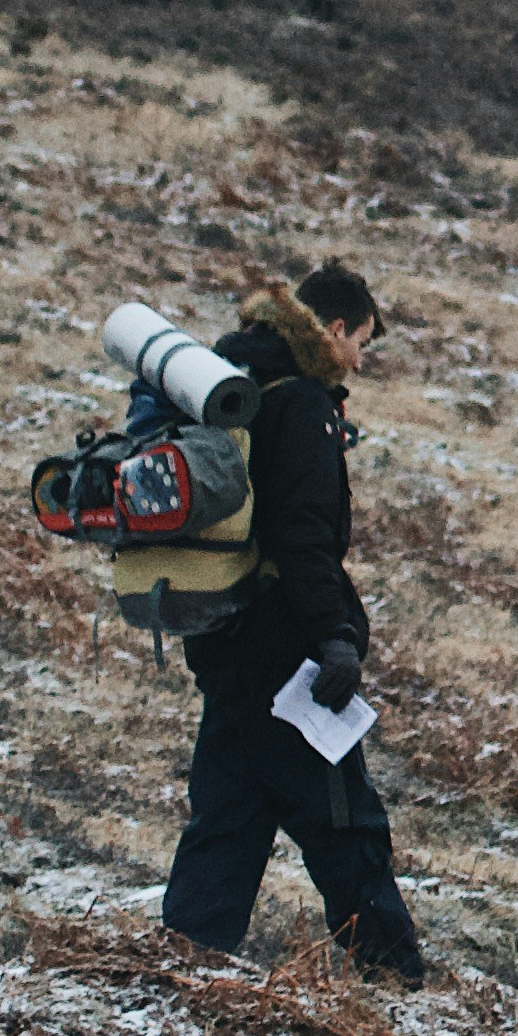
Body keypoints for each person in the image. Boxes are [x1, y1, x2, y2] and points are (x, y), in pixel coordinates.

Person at [156, 261, 427, 984]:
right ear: (333, 328)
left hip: (224, 631)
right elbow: (302, 536)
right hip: (285, 646)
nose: (361, 360)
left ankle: (187, 958)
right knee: (343, 818)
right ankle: (395, 971)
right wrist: (336, 637)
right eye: (361, 341)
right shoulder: (302, 404)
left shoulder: (237, 380)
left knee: (231, 809)